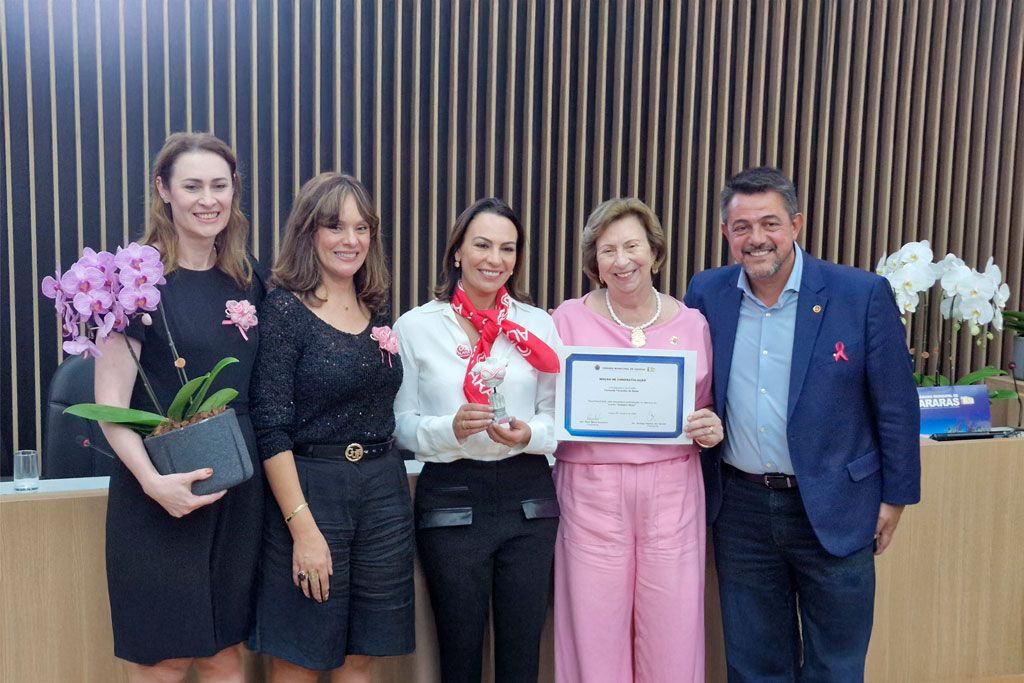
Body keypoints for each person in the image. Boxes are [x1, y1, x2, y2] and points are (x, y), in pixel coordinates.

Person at [683, 167, 921, 681]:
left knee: (836, 664)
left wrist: (894, 499)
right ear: (726, 233)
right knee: (753, 665)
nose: (757, 239)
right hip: (741, 510)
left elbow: (897, 406)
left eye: (769, 223)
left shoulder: (859, 294)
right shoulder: (706, 293)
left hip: (837, 506)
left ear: (796, 224)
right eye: (741, 227)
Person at [95, 132, 265, 682]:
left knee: (226, 653)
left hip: (237, 492)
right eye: (191, 185)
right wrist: (152, 483)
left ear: (235, 193)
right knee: (165, 660)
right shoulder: (132, 284)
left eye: (219, 185)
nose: (207, 199)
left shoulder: (251, 278)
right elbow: (110, 408)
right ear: (163, 190)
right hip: (157, 497)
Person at [248, 173, 414, 682]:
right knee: (301, 656)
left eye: (362, 227)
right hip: (311, 493)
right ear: (308, 232)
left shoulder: (375, 307)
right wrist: (303, 528)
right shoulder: (284, 309)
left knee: (359, 656)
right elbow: (270, 428)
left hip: (383, 492)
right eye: (335, 226)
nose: (351, 240)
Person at [551, 198, 722, 683]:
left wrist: (709, 428)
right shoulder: (564, 320)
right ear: (594, 262)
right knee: (593, 630)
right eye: (608, 251)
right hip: (589, 490)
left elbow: (704, 407)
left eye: (632, 246)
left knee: (674, 630)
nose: (622, 261)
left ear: (655, 252)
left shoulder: (692, 324)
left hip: (672, 492)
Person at [393, 197, 562, 683]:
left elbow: (560, 417)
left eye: (507, 249)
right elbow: (399, 425)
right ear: (457, 254)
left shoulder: (538, 325)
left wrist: (531, 433)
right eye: (482, 245)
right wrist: (451, 428)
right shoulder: (418, 326)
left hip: (529, 494)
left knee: (521, 653)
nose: (495, 259)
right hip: (451, 494)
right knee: (459, 652)